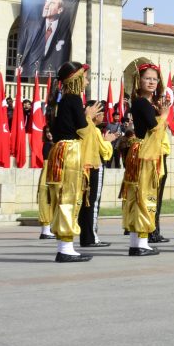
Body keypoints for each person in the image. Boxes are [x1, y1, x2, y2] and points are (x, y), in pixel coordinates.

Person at [47, 62, 105, 262]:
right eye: (85, 77)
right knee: (69, 197)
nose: (87, 81)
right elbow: (83, 129)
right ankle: (65, 248)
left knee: (64, 197)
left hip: (60, 150)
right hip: (70, 151)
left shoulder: (61, 101)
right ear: (76, 79)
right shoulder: (72, 99)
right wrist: (88, 117)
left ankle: (66, 246)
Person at [123, 63, 170, 256]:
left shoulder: (145, 103)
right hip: (145, 152)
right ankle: (141, 243)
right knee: (144, 194)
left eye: (154, 79)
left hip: (140, 150)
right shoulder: (142, 102)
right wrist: (164, 116)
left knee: (138, 194)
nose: (151, 82)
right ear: (138, 80)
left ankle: (137, 242)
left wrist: (159, 113)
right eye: (147, 78)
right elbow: (154, 128)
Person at [78, 101, 115, 248]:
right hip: (94, 167)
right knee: (93, 203)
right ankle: (91, 237)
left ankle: (87, 236)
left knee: (86, 203)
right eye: (101, 113)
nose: (103, 116)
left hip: (85, 167)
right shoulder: (94, 129)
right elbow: (105, 153)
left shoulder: (85, 126)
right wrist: (108, 141)